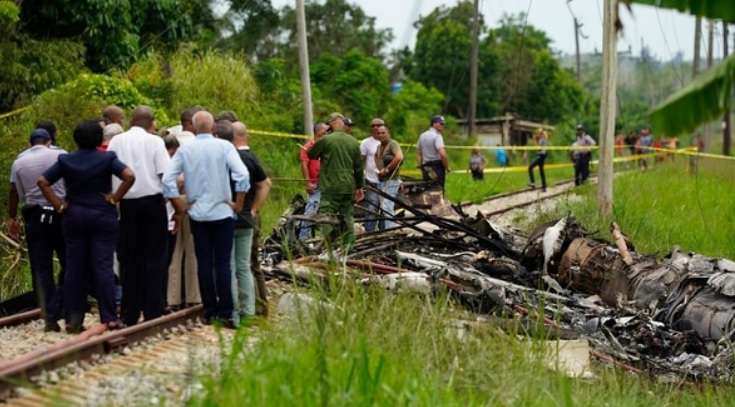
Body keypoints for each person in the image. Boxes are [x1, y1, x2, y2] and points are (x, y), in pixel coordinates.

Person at [38, 120, 135, 333]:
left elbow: (43, 182)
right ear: (98, 139)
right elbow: (129, 176)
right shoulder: (107, 158)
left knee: (75, 268)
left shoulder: (65, 160)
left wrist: (60, 206)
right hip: (101, 215)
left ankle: (74, 319)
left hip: (73, 215)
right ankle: (109, 317)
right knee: (103, 266)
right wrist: (114, 198)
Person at [162, 110, 250, 328]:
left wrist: (180, 205)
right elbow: (243, 175)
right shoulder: (225, 147)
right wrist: (238, 204)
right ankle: (227, 311)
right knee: (222, 263)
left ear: (192, 127)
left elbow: (168, 180)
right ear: (212, 128)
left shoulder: (186, 150)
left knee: (203, 262)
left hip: (198, 214)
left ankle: (210, 311)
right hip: (222, 212)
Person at [107, 105, 171, 326]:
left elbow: (109, 171)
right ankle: (153, 311)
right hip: (153, 204)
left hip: (125, 205)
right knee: (155, 258)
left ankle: (129, 313)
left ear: (131, 121)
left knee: (130, 259)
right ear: (151, 123)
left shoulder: (116, 141)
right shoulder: (155, 142)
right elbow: (166, 175)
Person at [9, 129, 68, 332]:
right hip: (61, 213)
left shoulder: (19, 163)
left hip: (35, 218)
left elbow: (20, 194)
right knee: (69, 262)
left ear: (29, 144)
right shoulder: (61, 155)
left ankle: (49, 317)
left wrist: (12, 218)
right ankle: (67, 308)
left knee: (42, 268)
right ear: (49, 142)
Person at [229, 121, 271, 321]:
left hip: (238, 216)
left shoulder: (235, 158)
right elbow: (265, 184)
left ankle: (243, 309)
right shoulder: (252, 157)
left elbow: (264, 184)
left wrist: (251, 208)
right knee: (250, 265)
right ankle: (258, 308)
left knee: (238, 265)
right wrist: (254, 209)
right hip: (250, 218)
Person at [307, 112, 364, 251]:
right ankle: (349, 247)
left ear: (331, 124)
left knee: (328, 216)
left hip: (330, 186)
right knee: (347, 217)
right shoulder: (353, 142)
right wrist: (359, 187)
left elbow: (311, 154)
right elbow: (358, 168)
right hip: (347, 186)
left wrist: (321, 135)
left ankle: (329, 247)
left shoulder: (326, 140)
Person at [299, 122, 328, 241]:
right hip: (314, 184)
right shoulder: (309, 146)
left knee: (326, 213)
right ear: (319, 132)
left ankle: (323, 240)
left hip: (326, 184)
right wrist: (308, 182)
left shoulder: (326, 146)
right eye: (326, 131)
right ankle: (303, 239)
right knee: (311, 210)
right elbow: (304, 165)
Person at [374, 125, 403, 230]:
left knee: (387, 206)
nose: (381, 135)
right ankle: (385, 229)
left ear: (388, 133)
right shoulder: (379, 147)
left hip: (391, 180)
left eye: (383, 133)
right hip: (381, 180)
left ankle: (390, 231)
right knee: (383, 207)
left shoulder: (393, 144)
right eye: (378, 133)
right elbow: (376, 158)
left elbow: (399, 157)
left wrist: (387, 169)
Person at [360, 117, 384, 232]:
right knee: (371, 208)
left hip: (385, 182)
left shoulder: (389, 142)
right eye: (373, 126)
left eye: (378, 125)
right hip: (371, 181)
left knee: (385, 209)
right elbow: (361, 162)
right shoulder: (366, 143)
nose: (375, 127)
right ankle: (369, 233)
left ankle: (384, 233)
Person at [417, 115, 450, 191]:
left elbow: (419, 153)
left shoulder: (422, 135)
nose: (443, 126)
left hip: (426, 167)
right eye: (441, 124)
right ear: (434, 124)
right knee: (438, 189)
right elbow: (442, 154)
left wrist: (421, 166)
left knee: (427, 189)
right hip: (437, 167)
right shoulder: (437, 136)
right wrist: (447, 167)